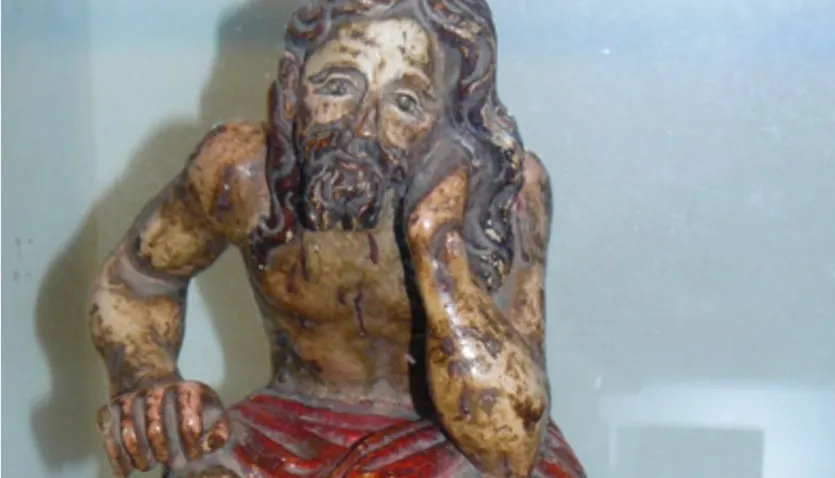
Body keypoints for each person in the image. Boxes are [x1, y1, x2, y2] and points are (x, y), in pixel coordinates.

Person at [89, 0, 586, 476]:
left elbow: (511, 449)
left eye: (405, 102)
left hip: (453, 445)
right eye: (339, 85)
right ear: (292, 86)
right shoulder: (241, 175)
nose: (362, 128)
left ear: (450, 118)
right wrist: (148, 381)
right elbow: (136, 280)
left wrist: (438, 249)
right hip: (281, 433)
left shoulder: (506, 195)